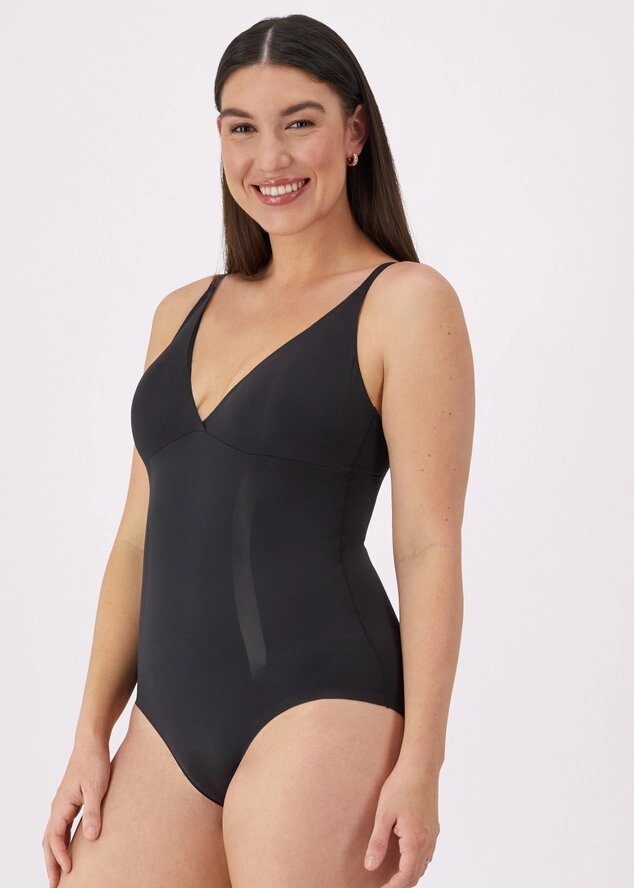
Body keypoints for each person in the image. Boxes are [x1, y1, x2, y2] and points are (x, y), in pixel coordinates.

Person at [42, 13, 474, 888]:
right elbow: (135, 541)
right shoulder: (180, 312)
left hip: (324, 705)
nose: (269, 158)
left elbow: (428, 545)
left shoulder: (406, 303)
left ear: (354, 133)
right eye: (242, 128)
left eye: (299, 123)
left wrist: (422, 760)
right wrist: (90, 732)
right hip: (166, 724)